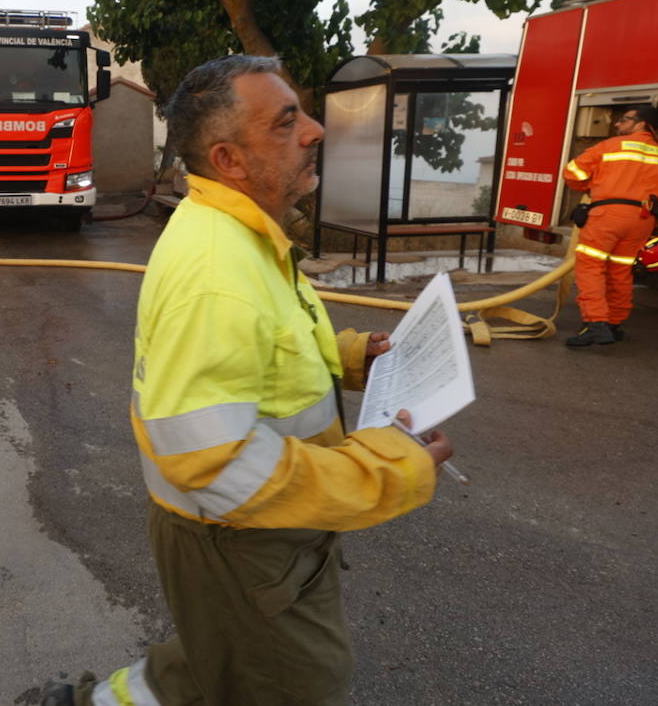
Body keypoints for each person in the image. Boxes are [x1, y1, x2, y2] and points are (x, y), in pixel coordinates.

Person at [44, 55, 452, 706]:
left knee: (214, 669)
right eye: (289, 122)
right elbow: (214, 459)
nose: (316, 130)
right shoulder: (218, 270)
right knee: (300, 687)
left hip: (251, 533)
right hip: (239, 537)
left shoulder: (243, 236)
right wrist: (388, 470)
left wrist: (349, 359)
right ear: (230, 160)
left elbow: (264, 351)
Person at [562, 105, 658, 347]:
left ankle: (595, 324)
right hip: (642, 219)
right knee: (621, 272)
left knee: (590, 268)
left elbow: (572, 173)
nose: (617, 124)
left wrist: (593, 189)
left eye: (624, 119)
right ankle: (614, 325)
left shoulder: (611, 146)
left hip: (609, 216)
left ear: (641, 123)